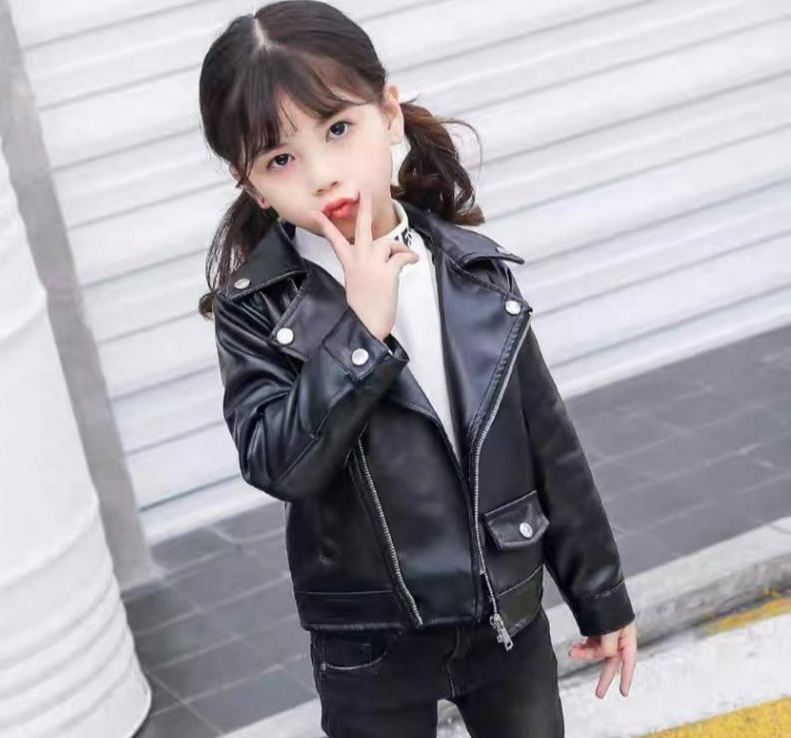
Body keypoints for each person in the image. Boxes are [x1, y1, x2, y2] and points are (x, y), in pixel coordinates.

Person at [197, 2, 638, 736]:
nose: (322, 174)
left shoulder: (472, 270)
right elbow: (278, 464)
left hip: (503, 613)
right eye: (280, 160)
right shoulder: (255, 311)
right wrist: (359, 333)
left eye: (338, 129)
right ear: (251, 184)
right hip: (368, 643)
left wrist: (602, 596)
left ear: (389, 113)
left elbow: (548, 444)